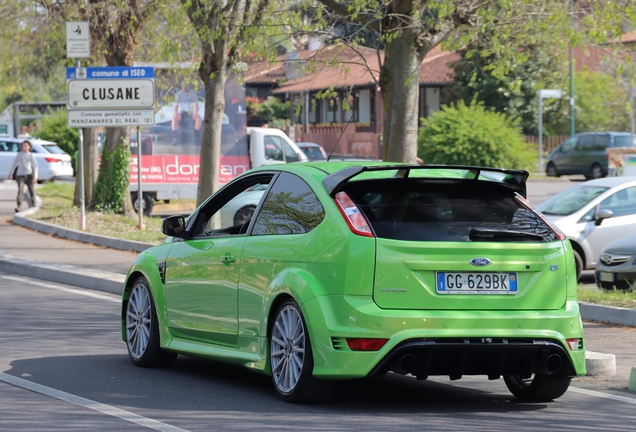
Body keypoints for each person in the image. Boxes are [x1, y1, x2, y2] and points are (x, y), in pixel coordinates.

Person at [8, 140, 38, 212]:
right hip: (20, 175)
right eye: (23, 146)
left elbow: (35, 166)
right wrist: (10, 173)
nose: (24, 147)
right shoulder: (19, 155)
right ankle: (19, 206)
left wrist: (35, 176)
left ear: (29, 147)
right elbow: (14, 164)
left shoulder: (31, 155)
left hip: (29, 174)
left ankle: (33, 201)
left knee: (31, 189)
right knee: (20, 190)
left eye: (26, 146)